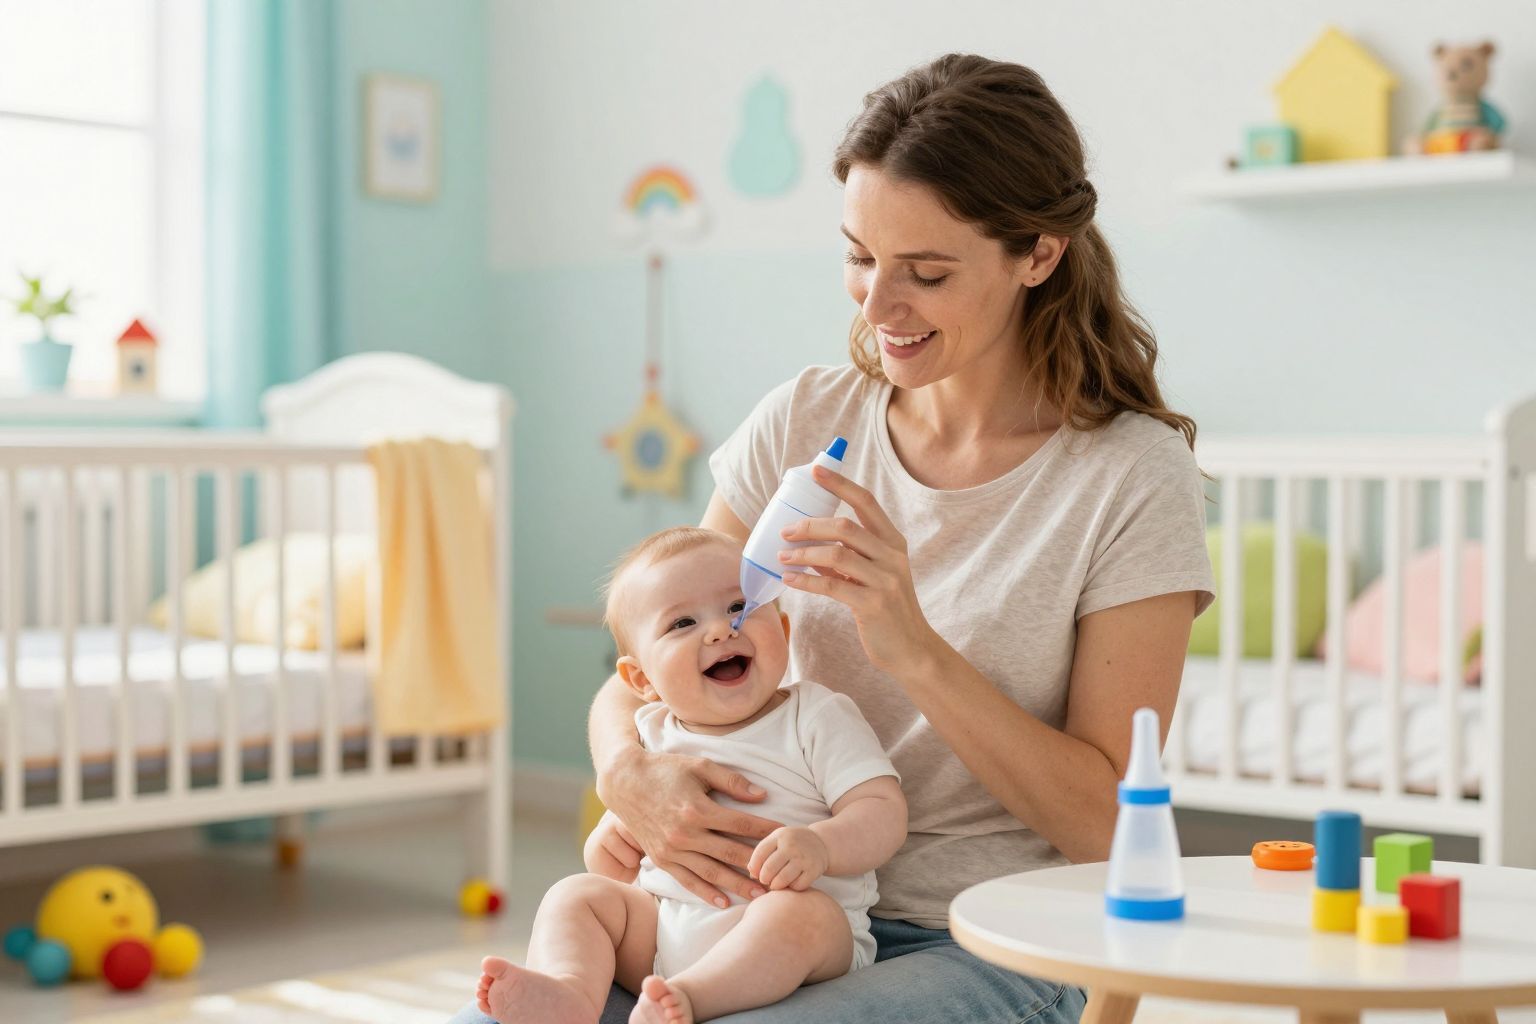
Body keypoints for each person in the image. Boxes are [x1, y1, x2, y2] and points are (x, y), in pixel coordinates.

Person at [449, 51, 1214, 1024]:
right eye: (859, 255)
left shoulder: (1128, 476)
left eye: (926, 272)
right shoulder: (806, 418)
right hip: (736, 916)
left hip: (982, 935)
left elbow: (1108, 825)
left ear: (1039, 253)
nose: (876, 305)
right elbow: (644, 657)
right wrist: (627, 771)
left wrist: (915, 648)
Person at [473, 527, 906, 1024]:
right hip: (662, 936)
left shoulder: (815, 717)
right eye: (682, 622)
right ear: (641, 681)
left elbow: (883, 812)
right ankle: (571, 993)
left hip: (796, 940)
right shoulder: (650, 735)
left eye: (739, 607)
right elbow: (620, 869)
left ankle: (691, 1000)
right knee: (576, 895)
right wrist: (610, 848)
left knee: (796, 915)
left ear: (784, 632)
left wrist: (822, 845)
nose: (721, 631)